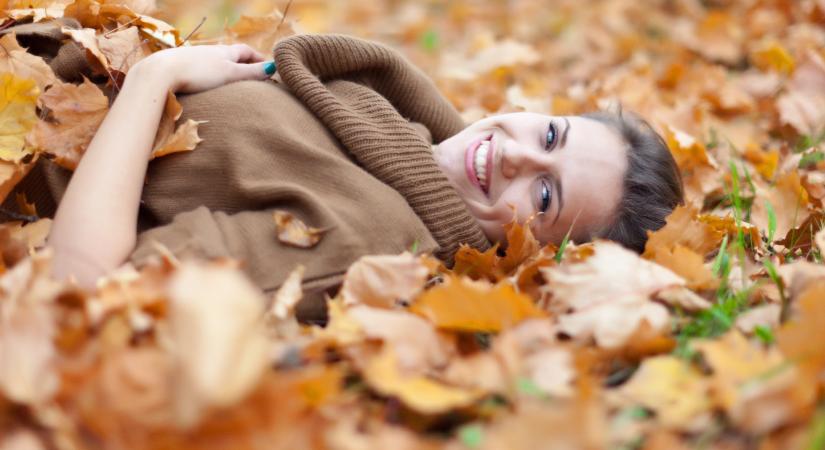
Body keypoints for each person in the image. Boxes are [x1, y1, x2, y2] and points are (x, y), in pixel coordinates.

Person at [2, 18, 682, 322]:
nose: (518, 153)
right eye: (552, 134)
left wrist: (155, 80)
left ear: (531, 253)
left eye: (544, 192)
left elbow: (79, 288)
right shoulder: (402, 126)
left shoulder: (370, 239)